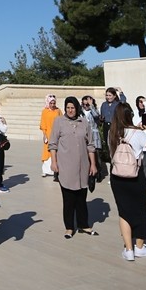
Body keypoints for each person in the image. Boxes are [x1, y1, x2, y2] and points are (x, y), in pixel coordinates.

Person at [107, 103, 146, 261]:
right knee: (139, 210)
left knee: (124, 212)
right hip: (135, 176)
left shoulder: (112, 133)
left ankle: (128, 250)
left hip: (117, 176)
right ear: (130, 115)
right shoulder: (138, 134)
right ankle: (139, 247)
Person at [49, 96, 99, 238]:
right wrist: (54, 162)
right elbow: (52, 143)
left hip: (83, 166)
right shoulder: (59, 122)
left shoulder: (84, 122)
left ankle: (84, 225)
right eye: (68, 108)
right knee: (69, 199)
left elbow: (90, 145)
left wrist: (93, 164)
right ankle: (69, 227)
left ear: (77, 108)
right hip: (66, 166)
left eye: (73, 108)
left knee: (82, 198)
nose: (70, 110)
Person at [38, 94, 60, 178]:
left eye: (54, 103)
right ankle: (45, 170)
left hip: (56, 134)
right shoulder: (44, 111)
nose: (53, 105)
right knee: (47, 152)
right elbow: (43, 123)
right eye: (51, 103)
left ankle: (54, 170)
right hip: (48, 134)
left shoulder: (58, 111)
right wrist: (44, 135)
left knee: (55, 151)